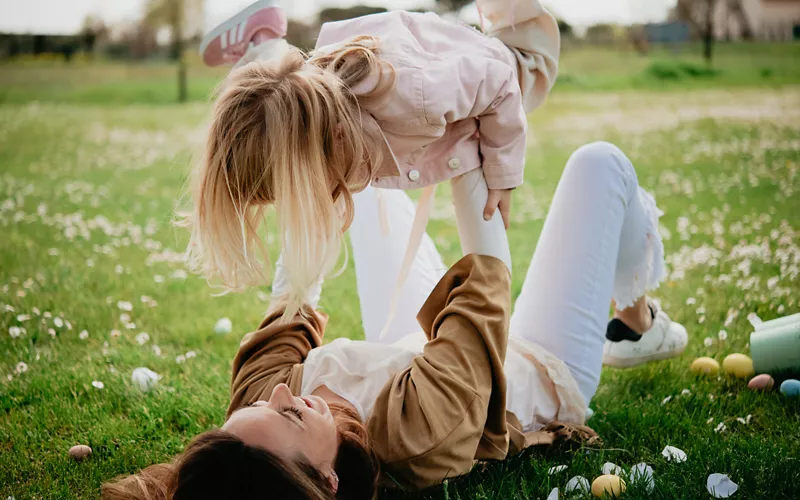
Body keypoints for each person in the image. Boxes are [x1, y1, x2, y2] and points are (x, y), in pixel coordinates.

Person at [103, 142, 689, 499]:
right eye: (287, 413)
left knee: (363, 177)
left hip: (409, 347)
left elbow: (292, 298)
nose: (280, 390)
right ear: (327, 480)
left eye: (257, 406)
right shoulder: (412, 441)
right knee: (600, 165)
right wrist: (467, 147)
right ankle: (635, 322)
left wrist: (313, 158)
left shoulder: (255, 423)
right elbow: (483, 292)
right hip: (536, 365)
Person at [182, 0, 561, 322]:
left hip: (501, 76)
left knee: (485, 241)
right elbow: (309, 217)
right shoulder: (314, 116)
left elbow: (499, 84)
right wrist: (289, 313)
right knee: (283, 102)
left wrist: (502, 175)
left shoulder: (423, 93)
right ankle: (264, 43)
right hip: (423, 94)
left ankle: (265, 43)